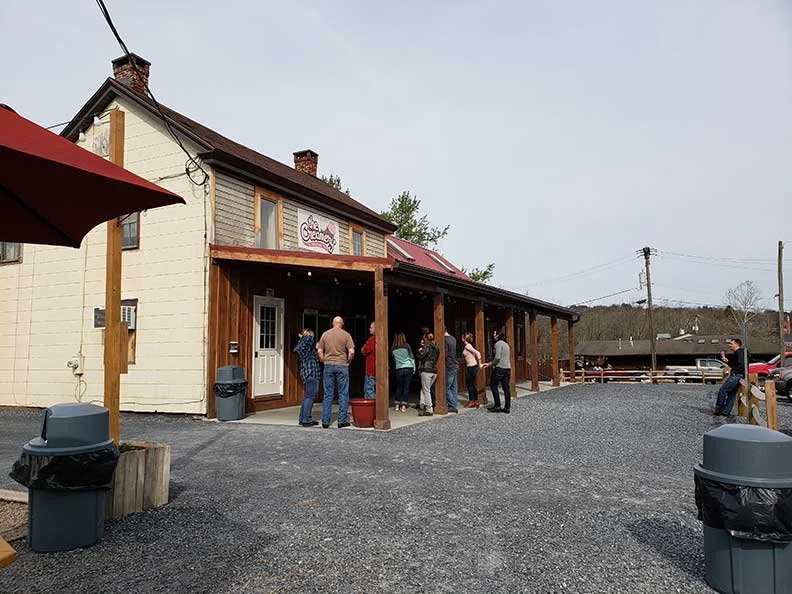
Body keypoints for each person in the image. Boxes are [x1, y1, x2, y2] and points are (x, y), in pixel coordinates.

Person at [317, 316, 355, 428]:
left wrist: (324, 360)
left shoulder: (325, 334)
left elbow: (319, 351)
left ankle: (325, 421)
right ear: (342, 323)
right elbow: (351, 352)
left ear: (333, 323)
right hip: (342, 365)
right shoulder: (346, 335)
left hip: (328, 365)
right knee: (343, 393)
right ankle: (342, 421)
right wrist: (348, 361)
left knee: (328, 394)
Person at [293, 329, 320, 427]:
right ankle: (306, 420)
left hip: (308, 373)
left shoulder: (306, 347)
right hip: (311, 373)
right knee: (310, 396)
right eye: (312, 336)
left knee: (307, 396)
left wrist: (317, 348)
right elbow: (308, 339)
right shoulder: (305, 344)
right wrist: (306, 335)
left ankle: (303, 418)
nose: (312, 338)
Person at [714, 338, 747, 417]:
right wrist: (725, 359)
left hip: (737, 375)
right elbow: (733, 364)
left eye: (731, 344)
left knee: (723, 390)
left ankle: (719, 409)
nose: (729, 345)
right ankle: (726, 412)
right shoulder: (739, 353)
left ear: (736, 344)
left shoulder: (740, 352)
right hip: (739, 375)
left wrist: (735, 372)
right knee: (732, 393)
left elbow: (741, 364)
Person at [482, 329, 511, 413]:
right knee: (506, 388)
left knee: (493, 385)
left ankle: (497, 405)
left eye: (494, 334)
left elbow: (497, 357)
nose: (493, 336)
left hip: (500, 368)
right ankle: (507, 407)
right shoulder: (506, 344)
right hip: (507, 368)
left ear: (498, 335)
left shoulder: (498, 344)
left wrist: (489, 364)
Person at [391, 332, 415, 413]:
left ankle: (397, 405)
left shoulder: (393, 348)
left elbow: (394, 359)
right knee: (406, 387)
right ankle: (404, 406)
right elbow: (411, 357)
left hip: (399, 368)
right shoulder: (407, 346)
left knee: (399, 387)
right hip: (408, 367)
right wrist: (414, 367)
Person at [417, 332, 440, 416]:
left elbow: (421, 357)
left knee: (426, 390)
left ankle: (429, 409)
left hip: (426, 370)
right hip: (434, 370)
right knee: (425, 389)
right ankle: (422, 405)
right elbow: (436, 358)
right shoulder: (437, 347)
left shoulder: (426, 347)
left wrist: (420, 351)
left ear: (426, 338)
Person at [461, 333, 482, 408]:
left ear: (464, 338)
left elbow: (478, 353)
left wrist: (480, 364)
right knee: (472, 384)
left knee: (469, 384)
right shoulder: (468, 346)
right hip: (472, 366)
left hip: (471, 367)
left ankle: (471, 400)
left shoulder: (467, 346)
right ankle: (475, 400)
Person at [444, 327, 459, 413]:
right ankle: (454, 403)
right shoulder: (453, 338)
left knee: (446, 387)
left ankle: (452, 405)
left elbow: (445, 353)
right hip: (455, 364)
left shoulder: (445, 340)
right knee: (454, 386)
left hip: (449, 364)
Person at [360, 321, 376, 400]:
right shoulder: (382, 339)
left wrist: (363, 348)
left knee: (369, 390)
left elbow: (365, 350)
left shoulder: (372, 340)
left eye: (371, 327)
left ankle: (370, 409)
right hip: (376, 369)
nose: (369, 329)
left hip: (370, 369)